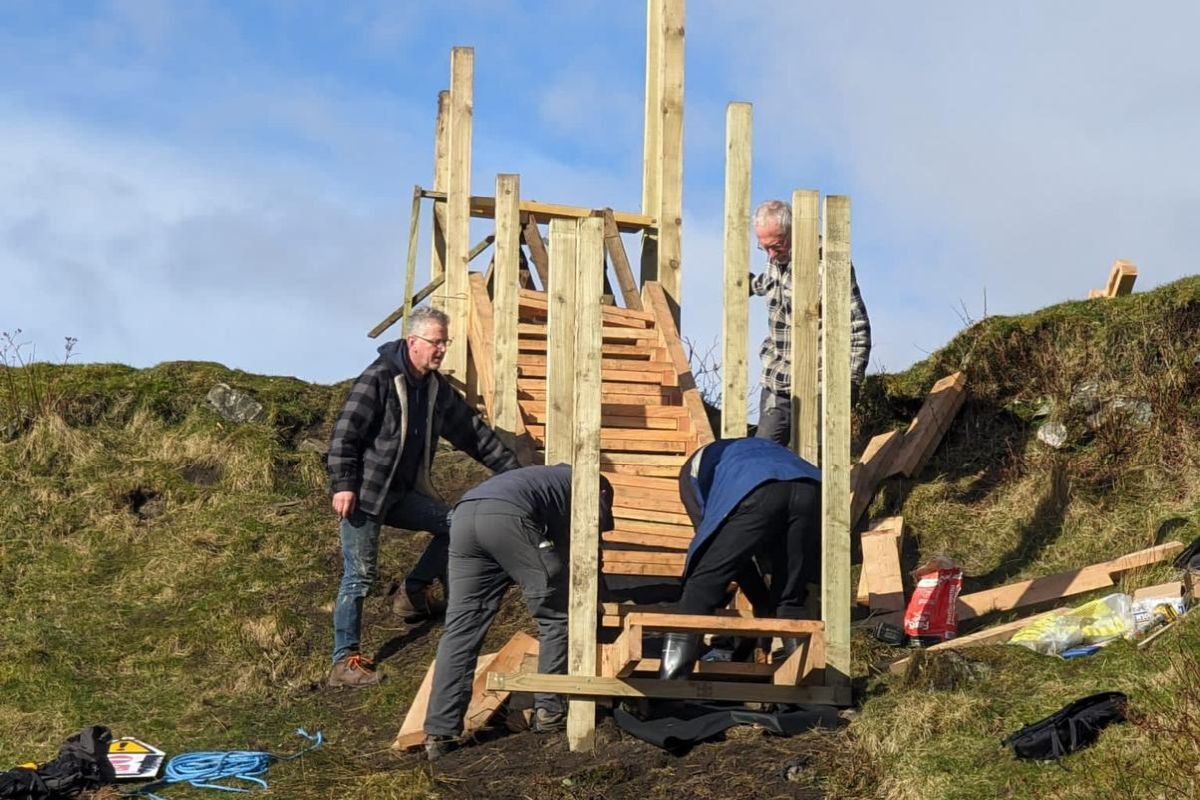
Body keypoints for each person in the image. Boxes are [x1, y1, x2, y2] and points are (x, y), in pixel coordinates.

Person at [325, 306, 520, 689]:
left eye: (445, 342)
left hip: (400, 493)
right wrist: (343, 484)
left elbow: (472, 433)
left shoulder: (433, 388)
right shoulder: (379, 378)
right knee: (359, 577)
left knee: (456, 525)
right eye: (436, 342)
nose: (442, 350)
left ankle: (413, 594)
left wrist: (516, 474)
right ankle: (343, 662)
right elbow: (345, 434)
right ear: (412, 342)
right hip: (363, 496)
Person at [422, 464, 615, 760]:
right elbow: (586, 546)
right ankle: (549, 711)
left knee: (462, 628)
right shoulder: (592, 483)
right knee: (559, 615)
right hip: (507, 518)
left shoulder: (543, 480)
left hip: (463, 516)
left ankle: (440, 731)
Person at [660, 437, 821, 680]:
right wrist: (763, 601)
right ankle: (807, 689)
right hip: (810, 488)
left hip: (756, 488)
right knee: (789, 598)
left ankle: (668, 691)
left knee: (701, 585)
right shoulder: (743, 453)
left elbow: (723, 555)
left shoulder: (689, 476)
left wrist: (756, 597)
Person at [751, 199, 872, 445]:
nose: (772, 255)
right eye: (764, 248)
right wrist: (751, 285)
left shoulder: (827, 265)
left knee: (813, 455)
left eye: (777, 246)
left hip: (819, 379)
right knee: (763, 453)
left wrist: (851, 379)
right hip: (778, 376)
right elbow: (776, 281)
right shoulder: (776, 256)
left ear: (793, 231)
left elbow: (857, 324)